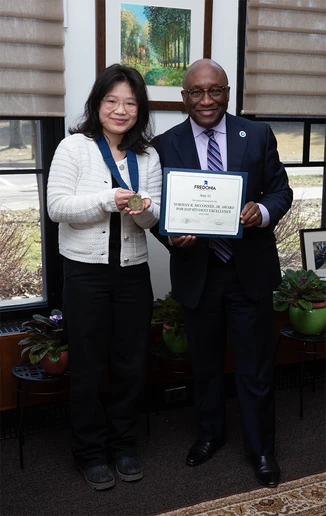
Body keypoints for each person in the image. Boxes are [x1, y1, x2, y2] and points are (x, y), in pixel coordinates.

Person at [151, 59, 293, 488]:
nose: (206, 100)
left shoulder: (258, 134)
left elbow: (280, 190)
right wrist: (170, 235)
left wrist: (263, 210)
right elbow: (157, 209)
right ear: (184, 98)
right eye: (197, 92)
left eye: (215, 91)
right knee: (206, 365)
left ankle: (261, 449)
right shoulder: (164, 144)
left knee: (255, 367)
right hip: (199, 274)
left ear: (227, 92)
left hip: (247, 272)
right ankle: (210, 436)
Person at [47, 64, 162, 490]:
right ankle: (90, 453)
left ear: (140, 110)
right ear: (97, 105)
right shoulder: (73, 148)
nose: (120, 109)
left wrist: (143, 209)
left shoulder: (147, 156)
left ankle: (124, 445)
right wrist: (107, 200)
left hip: (133, 274)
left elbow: (154, 220)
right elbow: (57, 207)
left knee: (131, 365)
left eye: (130, 103)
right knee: (90, 367)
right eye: (112, 101)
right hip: (85, 275)